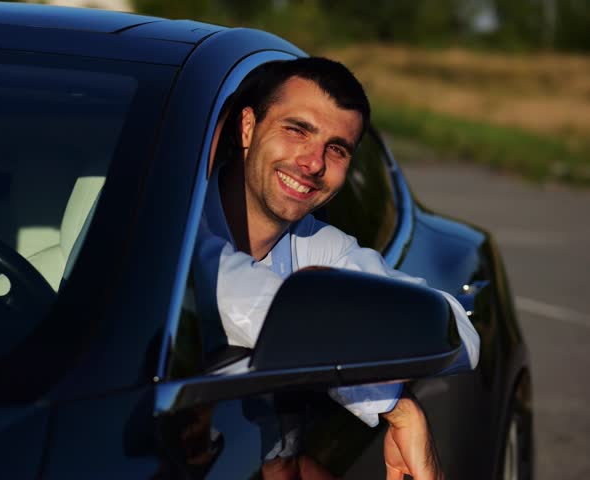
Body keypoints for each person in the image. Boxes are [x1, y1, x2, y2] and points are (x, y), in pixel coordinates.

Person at [192, 57, 480, 480]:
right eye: (297, 130)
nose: (312, 163)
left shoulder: (317, 246)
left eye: (337, 148)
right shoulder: (174, 224)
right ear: (248, 128)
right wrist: (396, 407)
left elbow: (456, 328)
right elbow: (230, 290)